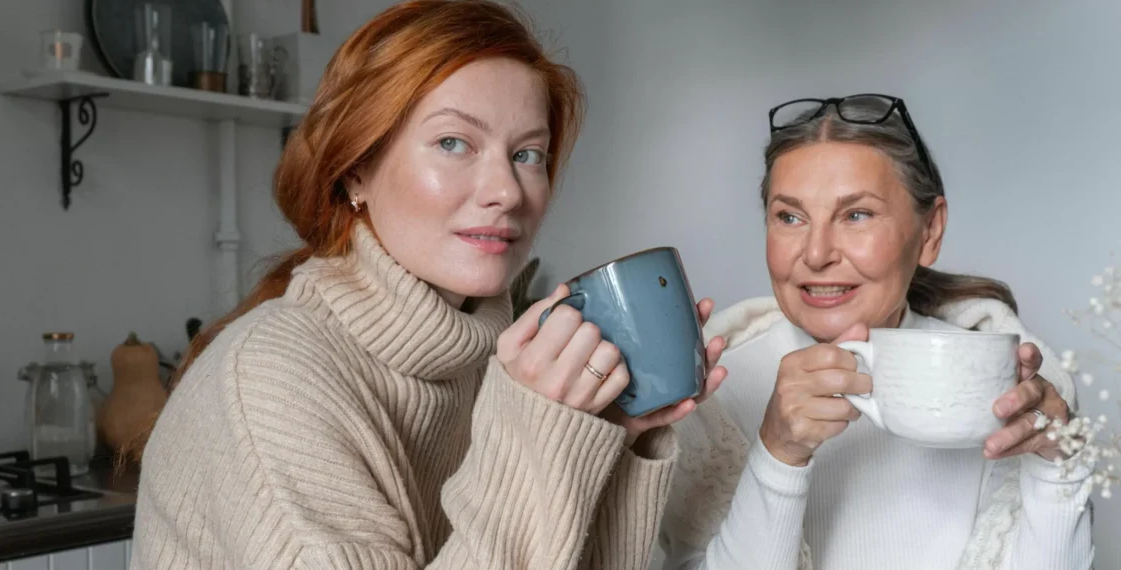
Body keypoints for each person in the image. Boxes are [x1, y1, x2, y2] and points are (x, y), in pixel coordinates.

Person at [126, 1, 729, 568]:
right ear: (355, 169)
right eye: (452, 143)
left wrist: (607, 440)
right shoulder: (270, 379)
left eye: (528, 154)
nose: (508, 191)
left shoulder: (490, 362)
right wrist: (532, 432)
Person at [657, 94, 1094, 570]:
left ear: (929, 231)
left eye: (856, 215)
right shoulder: (710, 400)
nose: (817, 253)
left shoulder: (1007, 388)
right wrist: (777, 453)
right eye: (790, 217)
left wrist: (1058, 471)